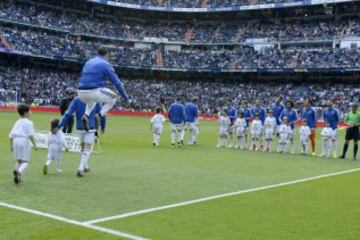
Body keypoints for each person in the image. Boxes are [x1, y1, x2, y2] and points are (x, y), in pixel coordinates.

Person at [77, 47, 128, 131]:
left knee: (91, 101)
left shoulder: (88, 62)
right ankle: (100, 115)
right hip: (94, 91)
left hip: (81, 93)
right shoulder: (105, 64)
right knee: (114, 97)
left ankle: (86, 115)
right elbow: (117, 82)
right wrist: (125, 97)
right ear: (107, 54)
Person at [58, 97, 106, 177]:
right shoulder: (95, 99)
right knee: (88, 148)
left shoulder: (76, 100)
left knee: (82, 147)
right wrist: (103, 127)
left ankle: (85, 165)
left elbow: (68, 114)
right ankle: (80, 169)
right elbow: (102, 114)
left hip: (79, 127)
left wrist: (59, 125)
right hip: (90, 127)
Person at [9, 104, 38, 184]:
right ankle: (18, 171)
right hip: (24, 141)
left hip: (15, 141)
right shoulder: (29, 122)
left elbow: (11, 135)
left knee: (19, 161)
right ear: (25, 113)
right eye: (30, 111)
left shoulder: (17, 122)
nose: (31, 112)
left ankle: (17, 176)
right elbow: (30, 135)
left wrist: (11, 145)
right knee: (25, 162)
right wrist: (35, 145)